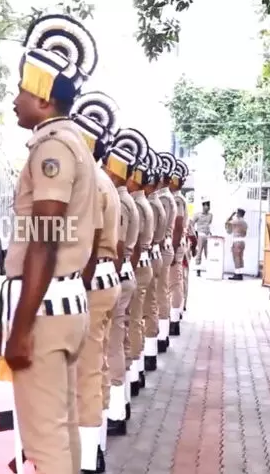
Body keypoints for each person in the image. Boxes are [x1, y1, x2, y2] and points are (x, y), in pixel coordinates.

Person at [0, 14, 101, 474]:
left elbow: (44, 239)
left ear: (42, 97)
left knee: (44, 440)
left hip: (44, 308)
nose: (14, 100)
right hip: (64, 301)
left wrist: (21, 327)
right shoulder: (75, 144)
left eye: (21, 91)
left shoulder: (53, 147)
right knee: (59, 430)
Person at [71, 91, 123, 472]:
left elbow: (87, 246)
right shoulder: (104, 180)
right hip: (107, 278)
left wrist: (77, 286)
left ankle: (88, 457)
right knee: (98, 363)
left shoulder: (88, 180)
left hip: (92, 282)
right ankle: (96, 443)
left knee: (86, 370)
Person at [99, 139, 142, 437]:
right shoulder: (124, 199)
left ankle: (114, 411)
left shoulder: (119, 201)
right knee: (118, 337)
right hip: (123, 273)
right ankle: (118, 403)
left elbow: (117, 246)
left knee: (110, 344)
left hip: (114, 273)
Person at [118, 129, 153, 396]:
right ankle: (135, 372)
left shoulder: (126, 203)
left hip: (130, 265)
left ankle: (124, 389)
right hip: (137, 264)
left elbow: (127, 245)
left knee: (124, 328)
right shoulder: (137, 202)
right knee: (134, 319)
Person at [142, 148, 166, 371]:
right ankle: (146, 355)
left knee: (142, 310)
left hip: (146, 258)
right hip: (152, 256)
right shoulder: (150, 203)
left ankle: (145, 359)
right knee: (149, 304)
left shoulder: (148, 204)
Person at [156, 153, 178, 352]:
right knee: (161, 292)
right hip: (165, 248)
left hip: (161, 248)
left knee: (159, 293)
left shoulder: (163, 198)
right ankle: (160, 337)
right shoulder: (166, 197)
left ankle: (161, 338)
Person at [168, 160, 190, 336]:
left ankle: (174, 321)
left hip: (175, 243)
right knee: (175, 282)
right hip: (177, 242)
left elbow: (178, 224)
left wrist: (174, 250)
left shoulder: (176, 199)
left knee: (174, 283)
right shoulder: (176, 197)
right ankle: (174, 316)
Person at [190, 199, 214, 274]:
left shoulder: (210, 215)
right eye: (206, 206)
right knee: (199, 252)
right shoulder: (197, 214)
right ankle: (198, 269)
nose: (208, 208)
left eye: (209, 206)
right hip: (200, 234)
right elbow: (192, 223)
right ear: (203, 206)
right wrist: (194, 233)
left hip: (207, 235)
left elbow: (209, 223)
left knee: (208, 252)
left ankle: (211, 269)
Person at [225, 208, 249, 280]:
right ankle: (240, 273)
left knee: (236, 258)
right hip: (242, 242)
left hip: (237, 241)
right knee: (240, 258)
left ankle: (237, 274)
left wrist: (231, 215)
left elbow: (227, 222)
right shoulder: (244, 223)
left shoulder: (237, 221)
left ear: (238, 214)